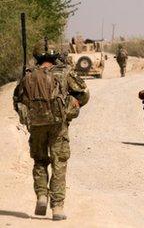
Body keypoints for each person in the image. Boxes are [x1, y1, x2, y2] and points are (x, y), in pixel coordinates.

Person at [13, 45, 90, 221]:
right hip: (58, 125)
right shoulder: (64, 72)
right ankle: (57, 207)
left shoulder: (27, 74)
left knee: (40, 161)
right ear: (55, 56)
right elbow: (83, 94)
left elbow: (17, 99)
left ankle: (41, 195)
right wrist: (73, 106)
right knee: (59, 163)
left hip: (36, 125)